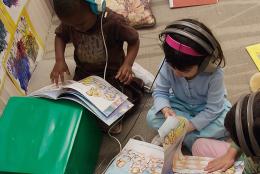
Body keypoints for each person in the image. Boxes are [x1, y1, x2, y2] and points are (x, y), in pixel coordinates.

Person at [51, 0, 144, 133]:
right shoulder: (73, 21)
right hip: (84, 74)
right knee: (69, 105)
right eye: (72, 25)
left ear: (94, 7)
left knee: (112, 114)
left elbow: (134, 40)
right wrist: (59, 60)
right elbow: (59, 36)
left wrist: (127, 64)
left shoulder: (113, 22)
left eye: (81, 23)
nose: (78, 28)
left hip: (113, 75)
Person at [146, 19, 231, 150]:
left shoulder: (215, 74)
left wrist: (189, 127)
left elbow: (213, 109)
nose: (177, 74)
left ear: (204, 63)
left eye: (184, 70)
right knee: (152, 117)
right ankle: (195, 141)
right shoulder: (168, 63)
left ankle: (176, 136)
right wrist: (165, 109)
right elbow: (160, 92)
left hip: (207, 109)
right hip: (180, 104)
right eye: (172, 67)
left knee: (227, 122)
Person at [192, 92, 260, 174]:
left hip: (245, 165)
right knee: (199, 145)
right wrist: (230, 154)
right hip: (243, 160)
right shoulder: (256, 115)